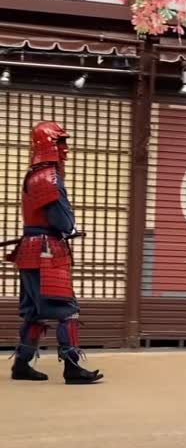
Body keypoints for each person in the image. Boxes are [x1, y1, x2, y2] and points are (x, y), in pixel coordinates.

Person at [7, 120, 103, 384]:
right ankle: (72, 367)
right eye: (61, 142)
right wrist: (71, 227)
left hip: (29, 250)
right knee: (67, 310)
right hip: (46, 251)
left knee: (35, 312)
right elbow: (62, 222)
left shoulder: (32, 175)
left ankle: (22, 365)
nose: (66, 149)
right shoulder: (49, 177)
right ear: (49, 144)